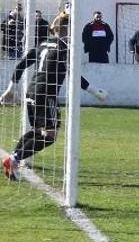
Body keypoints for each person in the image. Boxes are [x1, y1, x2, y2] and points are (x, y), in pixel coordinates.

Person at [2, 11, 108, 181]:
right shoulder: (64, 48)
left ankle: (13, 161)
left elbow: (21, 65)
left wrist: (10, 89)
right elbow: (73, 74)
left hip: (31, 91)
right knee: (50, 136)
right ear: (66, 30)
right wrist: (94, 91)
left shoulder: (42, 45)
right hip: (46, 94)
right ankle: (13, 159)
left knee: (37, 132)